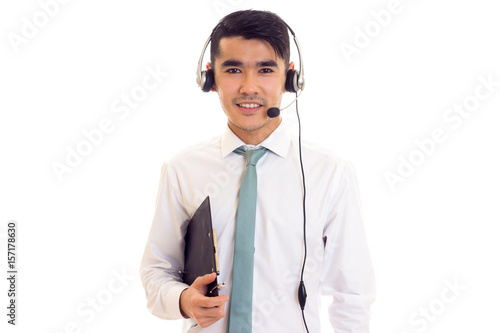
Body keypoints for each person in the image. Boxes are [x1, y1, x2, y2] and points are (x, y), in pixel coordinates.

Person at [140, 9, 376, 333]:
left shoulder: (330, 174)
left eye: (265, 69)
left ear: (290, 78)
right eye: (233, 69)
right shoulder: (181, 170)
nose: (249, 87)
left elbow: (352, 295)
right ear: (210, 78)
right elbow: (156, 273)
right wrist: (183, 300)